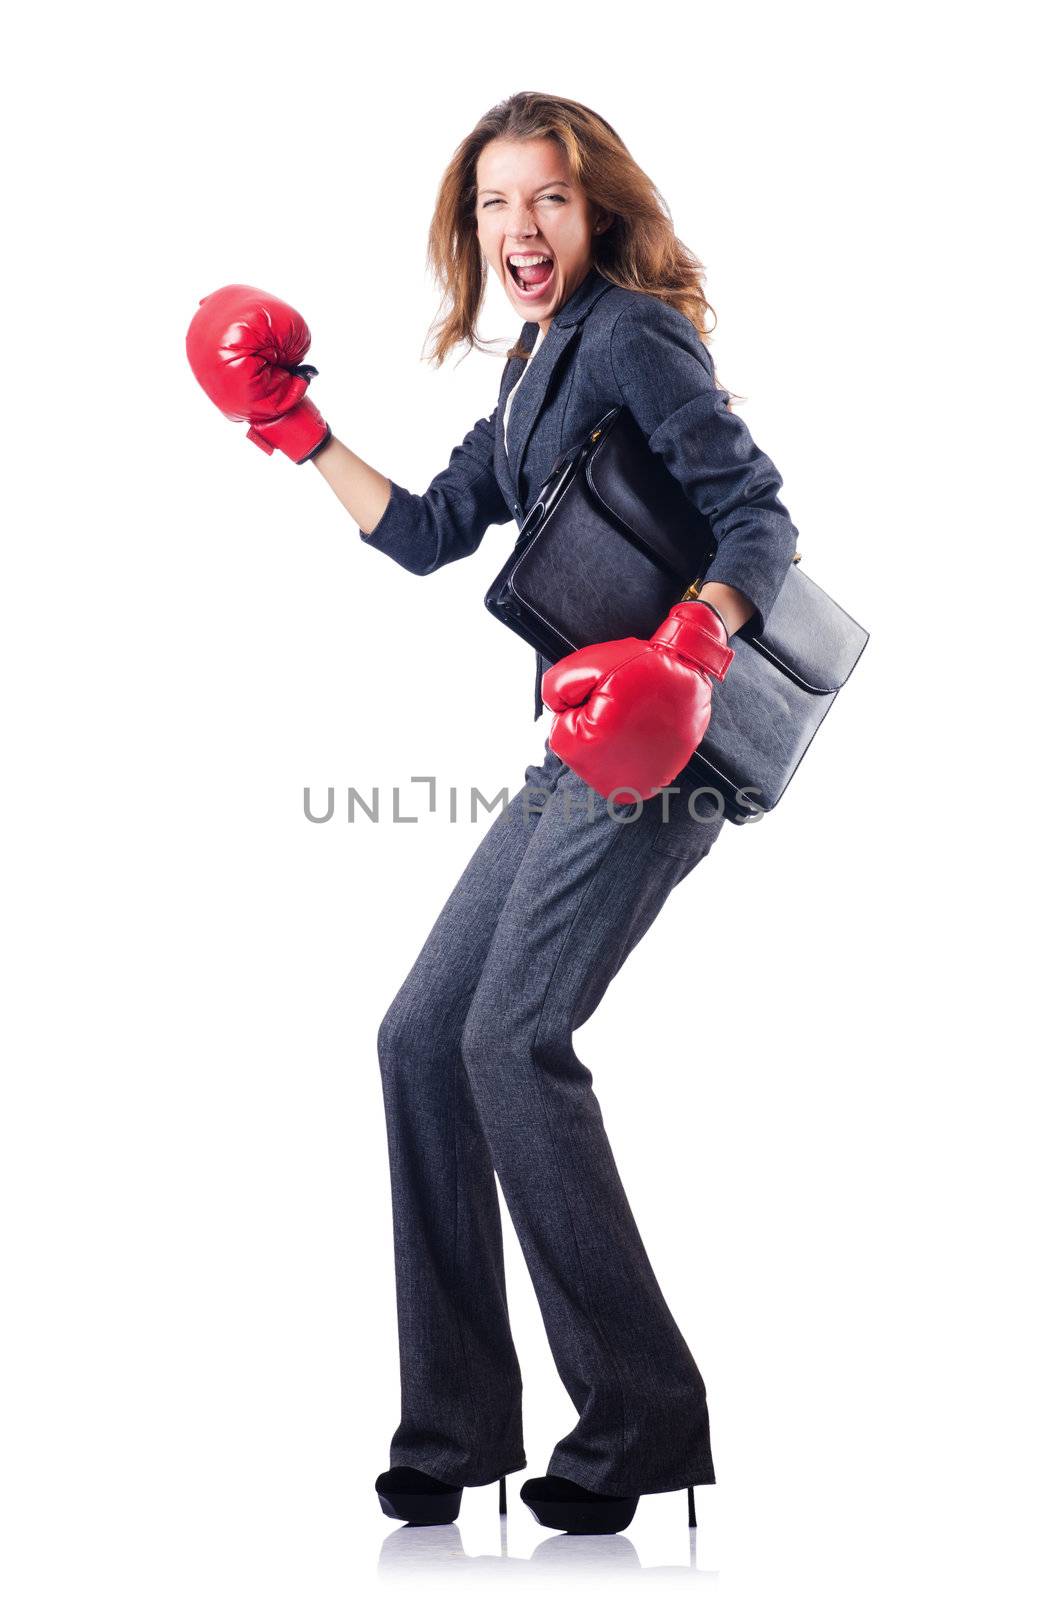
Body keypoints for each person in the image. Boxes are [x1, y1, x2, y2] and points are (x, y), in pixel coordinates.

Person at [185, 89, 798, 1537]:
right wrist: (294, 427)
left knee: (509, 1040)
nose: (520, 229)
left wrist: (692, 644)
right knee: (421, 1039)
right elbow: (427, 533)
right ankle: (459, 1429)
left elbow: (759, 515)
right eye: (495, 205)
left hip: (662, 743)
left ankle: (641, 1419)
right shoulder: (535, 362)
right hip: (575, 745)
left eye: (549, 200)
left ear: (598, 211)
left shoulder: (635, 333)